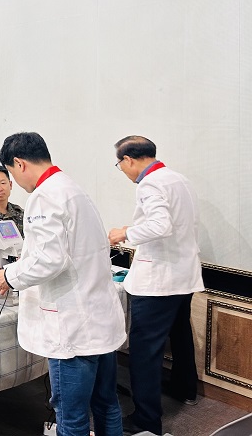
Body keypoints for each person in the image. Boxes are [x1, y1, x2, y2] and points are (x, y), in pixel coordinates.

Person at [0, 132, 126, 436]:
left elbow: (49, 260)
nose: (13, 181)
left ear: (19, 164)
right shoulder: (72, 189)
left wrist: (7, 276)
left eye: (10, 173)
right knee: (106, 404)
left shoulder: (44, 196)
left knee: (71, 416)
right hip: (98, 317)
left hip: (72, 327)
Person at [108, 135, 204, 435]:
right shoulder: (179, 179)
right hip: (184, 275)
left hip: (159, 282)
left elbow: (160, 225)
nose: (123, 171)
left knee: (145, 351)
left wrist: (124, 232)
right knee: (180, 334)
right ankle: (185, 389)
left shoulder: (149, 184)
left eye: (120, 165)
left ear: (128, 160)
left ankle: (146, 421)